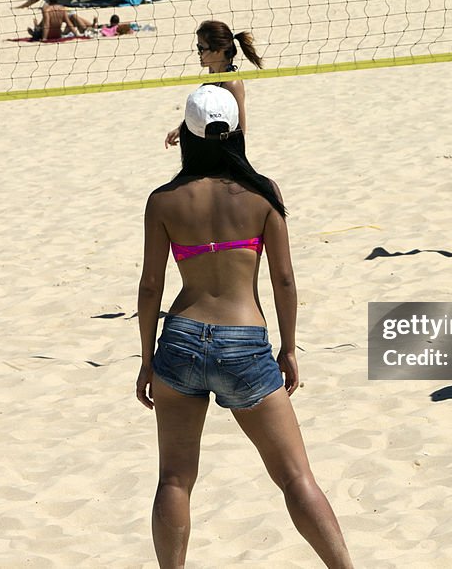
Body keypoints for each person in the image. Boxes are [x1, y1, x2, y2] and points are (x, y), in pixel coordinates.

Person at [137, 83, 353, 569]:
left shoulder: (164, 200)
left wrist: (147, 358)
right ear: (233, 131)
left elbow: (151, 287)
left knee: (174, 479)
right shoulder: (262, 193)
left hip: (182, 338)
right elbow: (283, 279)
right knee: (296, 477)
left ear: (187, 133)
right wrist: (290, 347)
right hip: (244, 344)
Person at [165, 20, 263, 147]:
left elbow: (240, 130)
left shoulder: (232, 83)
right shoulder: (213, 73)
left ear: (218, 50)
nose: (198, 53)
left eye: (201, 48)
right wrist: (181, 129)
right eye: (197, 48)